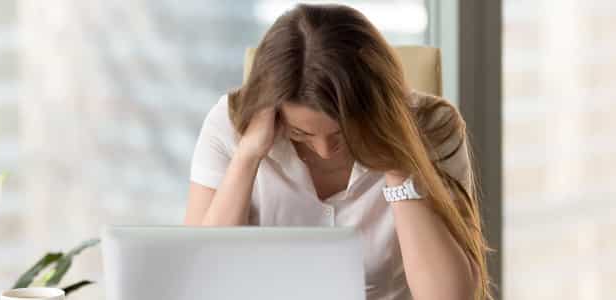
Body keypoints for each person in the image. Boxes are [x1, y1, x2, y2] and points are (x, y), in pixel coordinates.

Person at [184, 4, 490, 300]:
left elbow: (451, 297)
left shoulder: (435, 127)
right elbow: (201, 280)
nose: (324, 150)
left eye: (341, 132)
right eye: (301, 133)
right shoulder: (229, 126)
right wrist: (247, 156)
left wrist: (399, 169)